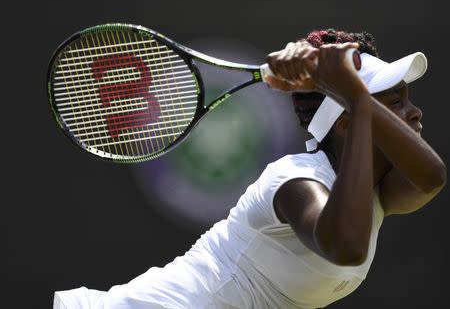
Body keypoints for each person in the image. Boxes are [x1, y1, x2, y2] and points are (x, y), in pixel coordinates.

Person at [53, 29, 446, 309]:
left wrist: (354, 96)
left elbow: (431, 177)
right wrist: (356, 97)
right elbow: (347, 245)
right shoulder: (295, 181)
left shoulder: (378, 194)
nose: (414, 112)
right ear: (346, 123)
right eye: (393, 103)